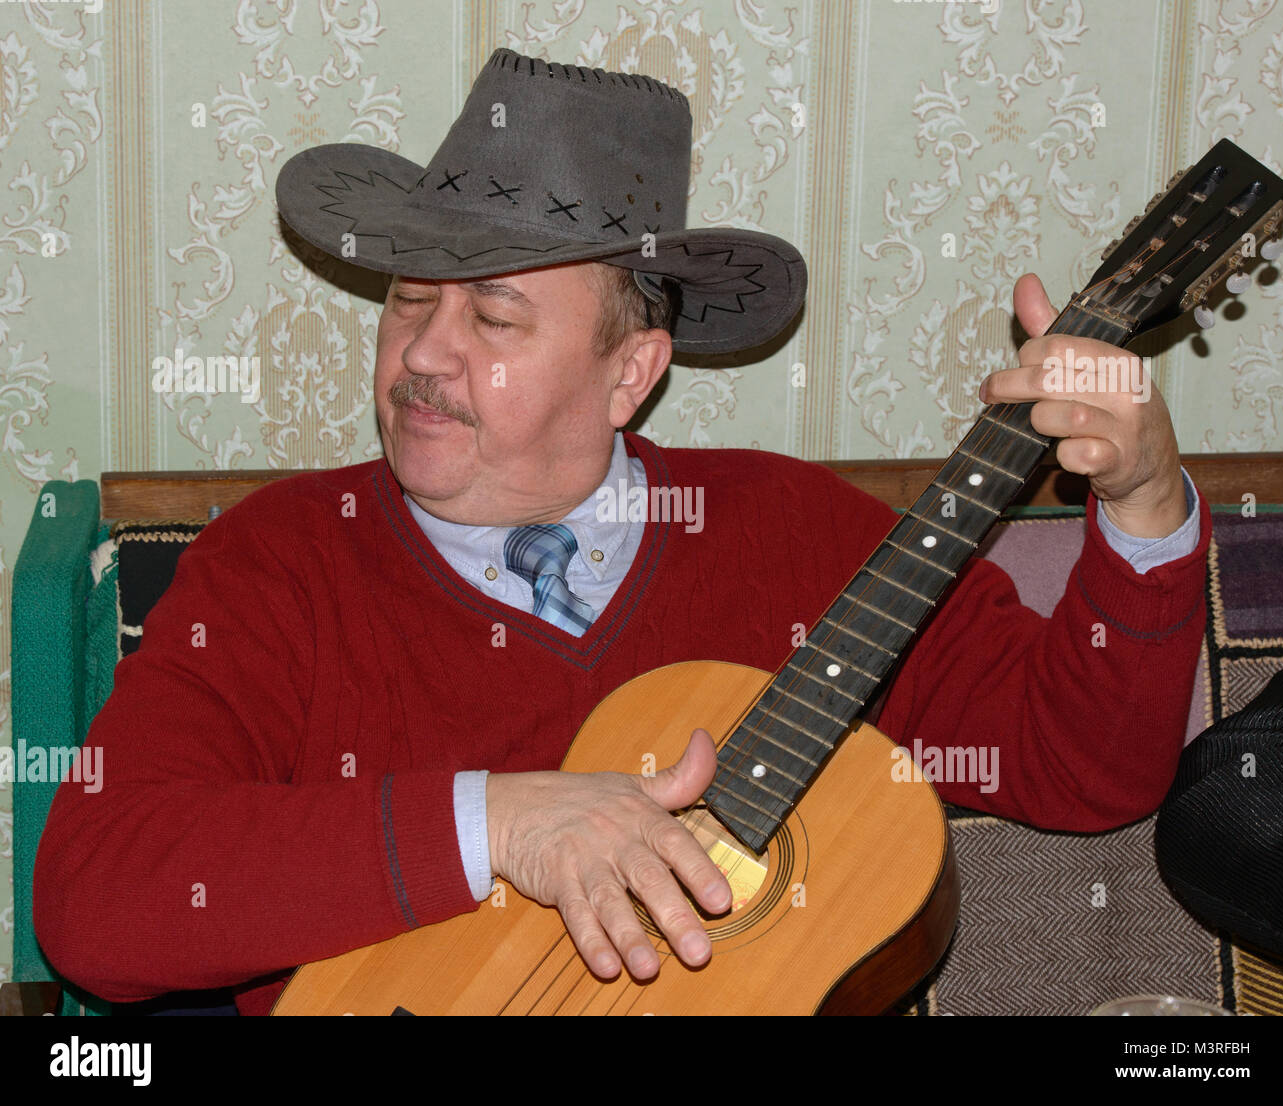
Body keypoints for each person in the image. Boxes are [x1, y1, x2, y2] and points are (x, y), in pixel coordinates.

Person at [33, 48, 1210, 1015]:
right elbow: (94, 898)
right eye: (406, 299)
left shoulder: (795, 535)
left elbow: (1083, 767)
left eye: (494, 315)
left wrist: (1145, 503)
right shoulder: (284, 557)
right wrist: (497, 819)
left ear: (630, 372)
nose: (424, 355)